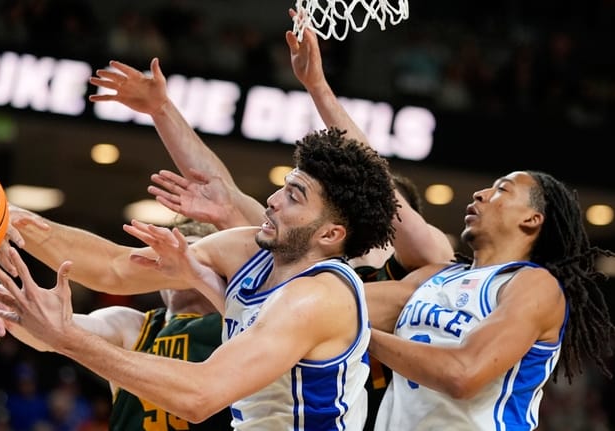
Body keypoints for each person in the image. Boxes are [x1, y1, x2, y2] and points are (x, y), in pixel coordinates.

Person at [87, 15, 454, 431]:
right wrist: (162, 110)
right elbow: (221, 191)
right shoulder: (296, 250)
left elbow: (369, 170)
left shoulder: (415, 275)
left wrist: (319, 89)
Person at [0, 126, 400, 429]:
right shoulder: (245, 250)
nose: (272, 200)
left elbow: (200, 396)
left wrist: (67, 338)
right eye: (284, 186)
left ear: (330, 234)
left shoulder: (319, 298)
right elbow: (114, 266)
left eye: (294, 196)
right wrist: (18, 222)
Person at [365, 170, 615, 430]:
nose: (480, 194)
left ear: (531, 219)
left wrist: (363, 337)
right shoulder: (435, 276)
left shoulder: (533, 284)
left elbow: (462, 374)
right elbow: (341, 307)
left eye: (502, 189)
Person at [0, 219, 234, 430]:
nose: (179, 266)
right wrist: (9, 305)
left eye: (192, 256)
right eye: (168, 259)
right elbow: (56, 333)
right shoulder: (132, 325)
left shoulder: (239, 326)